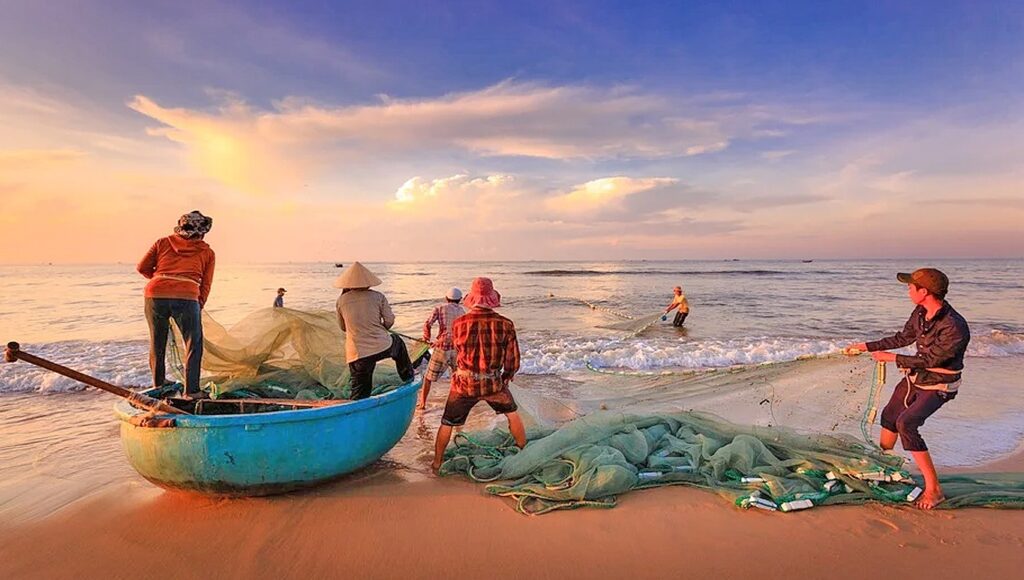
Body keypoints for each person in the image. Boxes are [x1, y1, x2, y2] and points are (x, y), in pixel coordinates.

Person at [846, 268, 970, 510]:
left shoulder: (954, 327)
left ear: (924, 292)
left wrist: (892, 359)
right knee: (889, 417)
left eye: (911, 286)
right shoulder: (921, 311)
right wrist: (866, 346)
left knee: (907, 424)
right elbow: (903, 338)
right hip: (917, 377)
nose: (908, 290)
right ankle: (884, 467)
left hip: (940, 384)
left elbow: (932, 361)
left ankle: (934, 489)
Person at [432, 277, 526, 473]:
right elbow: (513, 360)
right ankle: (524, 454)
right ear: (492, 299)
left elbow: (458, 353)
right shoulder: (506, 324)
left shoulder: (458, 324)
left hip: (463, 384)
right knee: (513, 415)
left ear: (472, 300)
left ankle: (437, 463)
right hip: (493, 383)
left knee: (447, 422)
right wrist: (506, 377)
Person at [137, 210, 215, 399]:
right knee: (193, 343)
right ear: (203, 231)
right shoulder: (207, 252)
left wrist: (161, 279)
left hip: (155, 294)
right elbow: (206, 283)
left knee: (157, 342)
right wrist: (199, 302)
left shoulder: (162, 243)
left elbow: (142, 267)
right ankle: (192, 391)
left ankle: (159, 384)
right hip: (187, 296)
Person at [335, 262, 414, 400]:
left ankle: (357, 414)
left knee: (359, 393)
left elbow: (343, 327)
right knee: (398, 343)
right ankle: (408, 377)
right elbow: (389, 321)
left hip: (357, 353)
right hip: (382, 346)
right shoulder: (378, 296)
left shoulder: (341, 301)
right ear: (368, 282)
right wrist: (381, 326)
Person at [418, 287, 466, 409]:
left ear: (446, 298)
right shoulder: (462, 312)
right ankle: (455, 403)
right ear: (460, 299)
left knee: (428, 377)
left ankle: (423, 404)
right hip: (457, 349)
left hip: (442, 348)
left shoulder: (439, 308)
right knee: (456, 378)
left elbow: (428, 323)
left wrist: (426, 338)